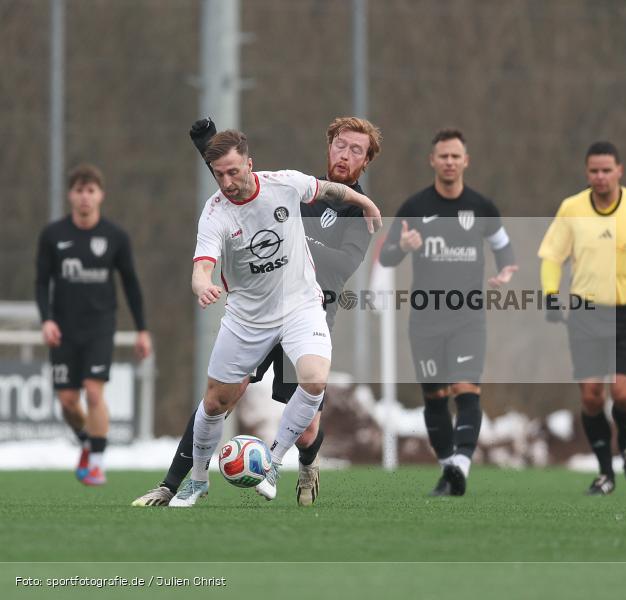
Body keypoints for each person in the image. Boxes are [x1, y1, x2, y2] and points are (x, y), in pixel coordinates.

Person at [132, 117, 382, 507]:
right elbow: (238, 189)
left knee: (307, 413)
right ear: (329, 144)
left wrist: (299, 239)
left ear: (366, 161)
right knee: (219, 399)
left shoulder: (357, 213)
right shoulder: (292, 185)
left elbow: (340, 266)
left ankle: (306, 462)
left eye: (357, 150)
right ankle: (173, 484)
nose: (345, 154)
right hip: (253, 312)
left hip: (308, 307)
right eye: (341, 145)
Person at [379, 129, 517, 496]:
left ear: (466, 161)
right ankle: (448, 471)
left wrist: (505, 270)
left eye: (456, 156)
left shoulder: (482, 208)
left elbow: (505, 249)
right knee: (435, 398)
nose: (450, 162)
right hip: (425, 317)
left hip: (468, 316)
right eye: (444, 156)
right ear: (433, 161)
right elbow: (386, 255)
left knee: (467, 391)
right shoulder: (414, 209)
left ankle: (461, 463)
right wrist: (403, 246)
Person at [538, 141, 626, 496]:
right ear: (587, 173)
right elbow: (552, 257)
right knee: (591, 396)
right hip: (585, 313)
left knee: (624, 392)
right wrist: (551, 294)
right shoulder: (572, 209)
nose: (600, 177)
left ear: (620, 171)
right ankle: (605, 473)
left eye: (606, 170)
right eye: (594, 171)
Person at [35, 164, 153, 486]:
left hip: (100, 326)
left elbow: (131, 284)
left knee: (93, 392)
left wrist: (142, 329)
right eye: (79, 191)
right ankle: (88, 439)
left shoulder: (115, 237)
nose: (85, 197)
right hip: (63, 328)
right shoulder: (53, 235)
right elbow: (41, 283)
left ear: (100, 195)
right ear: (70, 195)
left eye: (91, 191)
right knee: (68, 402)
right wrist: (46, 320)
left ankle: (96, 462)